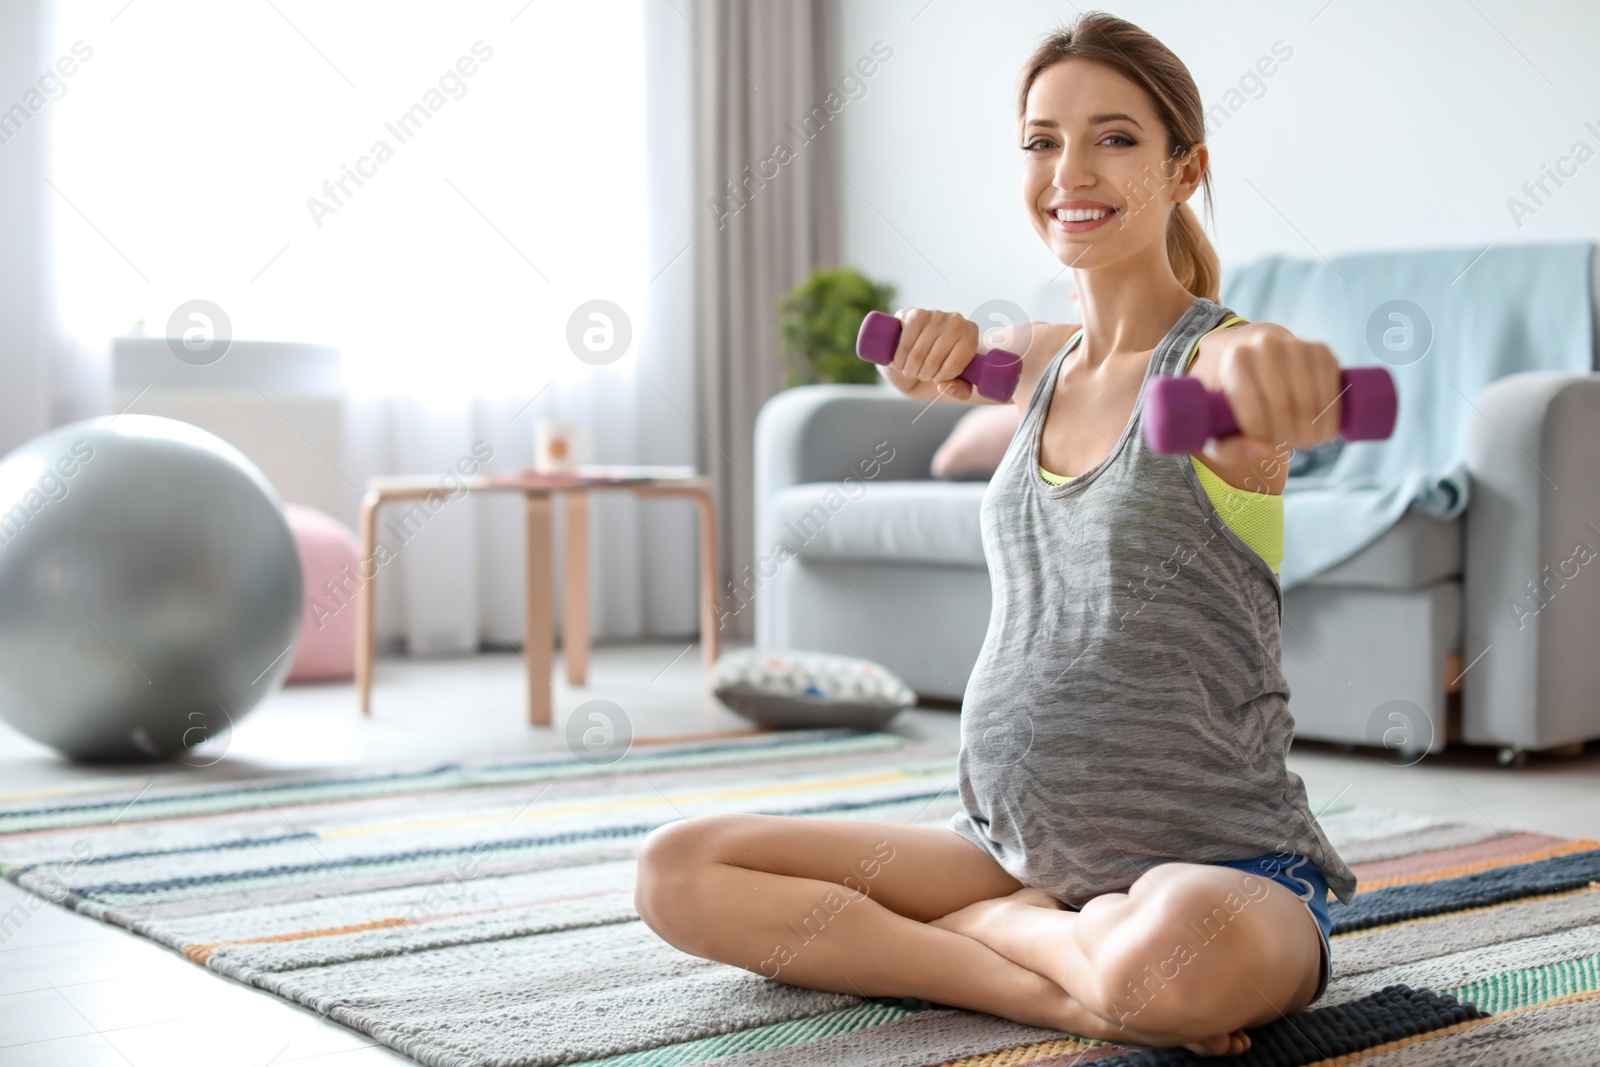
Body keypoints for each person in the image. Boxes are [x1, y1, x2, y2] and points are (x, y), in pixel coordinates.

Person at [634, 10, 1358, 1056]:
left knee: (1181, 968)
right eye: (1041, 139)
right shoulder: (1036, 359)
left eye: (1114, 137)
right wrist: (919, 353)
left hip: (1223, 868)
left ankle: (1019, 950)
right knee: (677, 867)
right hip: (1007, 851)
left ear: (1184, 167)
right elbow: (961, 357)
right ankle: (1052, 970)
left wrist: (1291, 378)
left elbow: (1290, 385)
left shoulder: (1215, 365)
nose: (1071, 167)